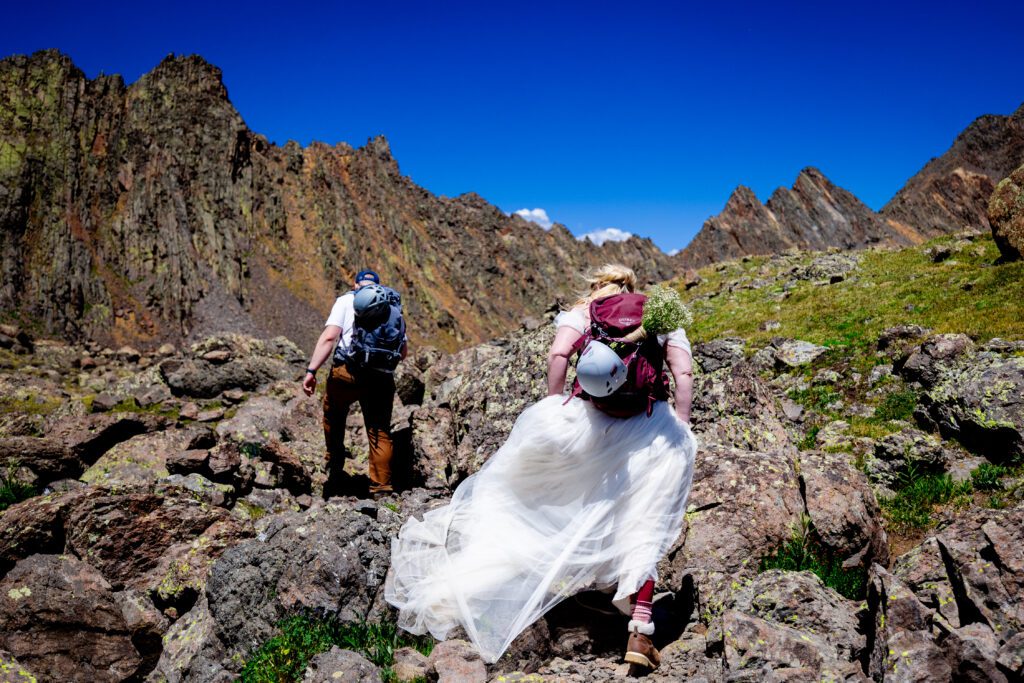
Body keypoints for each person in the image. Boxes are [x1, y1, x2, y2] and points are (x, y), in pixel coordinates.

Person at [385, 264, 697, 670]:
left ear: (597, 287)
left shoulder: (584, 313)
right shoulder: (659, 313)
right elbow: (684, 373)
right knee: (644, 519)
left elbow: (559, 355)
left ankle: (533, 577)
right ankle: (640, 627)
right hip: (648, 425)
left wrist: (555, 405)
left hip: (588, 419)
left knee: (544, 494)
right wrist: (681, 427)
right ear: (632, 289)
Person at [302, 269, 406, 498]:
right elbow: (403, 351)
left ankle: (335, 463)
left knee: (334, 413)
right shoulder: (392, 306)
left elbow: (330, 337)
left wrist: (312, 370)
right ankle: (381, 488)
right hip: (380, 377)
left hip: (345, 372)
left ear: (356, 284)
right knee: (379, 430)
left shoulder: (346, 301)